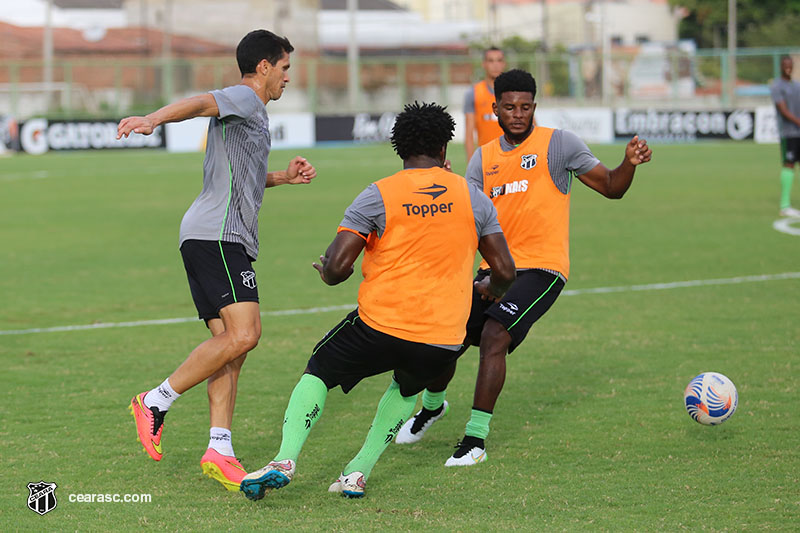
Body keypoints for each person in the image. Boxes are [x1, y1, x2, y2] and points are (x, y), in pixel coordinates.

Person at [238, 102, 516, 501]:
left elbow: (337, 267)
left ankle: (285, 459)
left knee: (319, 370)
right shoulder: (472, 197)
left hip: (380, 325)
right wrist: (491, 286)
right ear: (443, 148)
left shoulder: (378, 194)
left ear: (399, 148)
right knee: (405, 391)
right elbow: (505, 271)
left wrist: (329, 272)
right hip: (443, 337)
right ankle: (358, 472)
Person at [396, 69, 652, 466]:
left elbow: (611, 187)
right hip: (494, 269)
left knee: (495, 334)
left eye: (526, 107)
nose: (518, 114)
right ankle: (432, 408)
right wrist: (450, 190)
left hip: (543, 269)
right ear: (495, 108)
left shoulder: (559, 144)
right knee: (447, 335)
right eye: (510, 107)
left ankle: (475, 441)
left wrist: (628, 163)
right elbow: (467, 221)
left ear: (535, 107)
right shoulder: (483, 158)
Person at [118, 29, 317, 491]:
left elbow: (244, 177)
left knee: (232, 347)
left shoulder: (253, 114)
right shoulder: (245, 97)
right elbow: (199, 103)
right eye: (284, 68)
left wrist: (283, 178)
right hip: (217, 237)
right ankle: (155, 400)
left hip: (214, 237)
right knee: (246, 333)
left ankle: (220, 448)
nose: (287, 77)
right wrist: (153, 119)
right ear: (264, 67)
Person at [464, 47, 537, 160]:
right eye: (491, 61)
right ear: (484, 64)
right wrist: (471, 163)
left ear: (504, 64)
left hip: (516, 157)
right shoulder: (474, 93)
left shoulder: (517, 92)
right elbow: (469, 134)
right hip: (488, 158)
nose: (495, 65)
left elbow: (533, 126)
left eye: (499, 60)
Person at [771, 55, 800, 217]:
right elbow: (783, 110)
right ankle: (785, 205)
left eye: (790, 65)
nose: (788, 68)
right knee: (789, 164)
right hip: (788, 133)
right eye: (785, 65)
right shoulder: (777, 86)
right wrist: (798, 122)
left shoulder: (797, 86)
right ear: (781, 67)